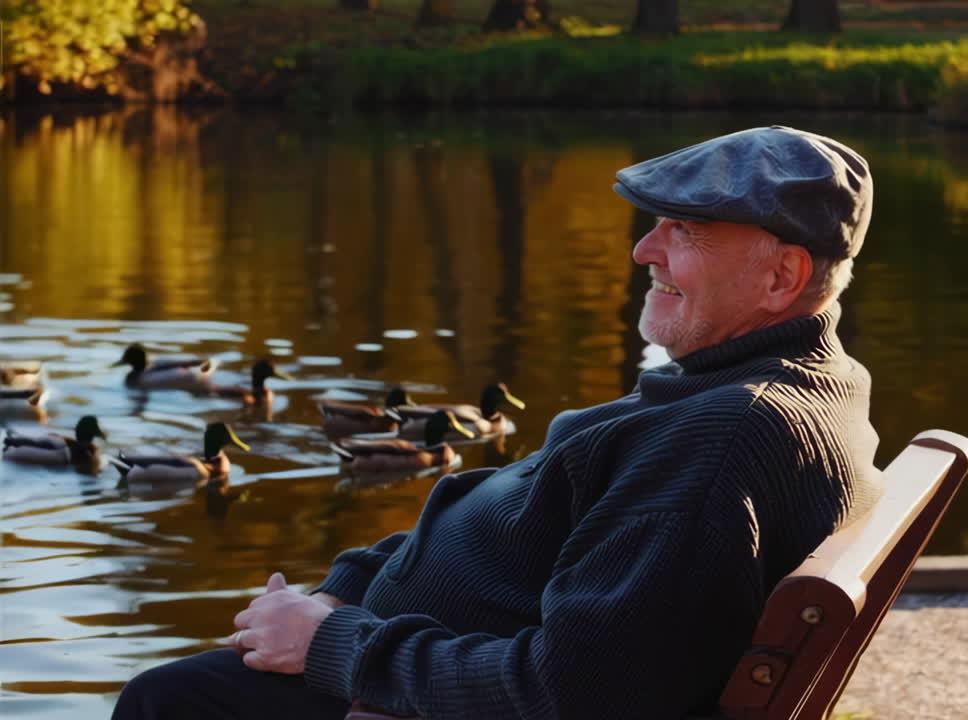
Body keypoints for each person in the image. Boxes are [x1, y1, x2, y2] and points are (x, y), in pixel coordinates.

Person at [112, 125, 883, 720]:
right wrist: (348, 588)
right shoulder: (771, 383)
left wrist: (331, 646)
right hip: (395, 645)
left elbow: (572, 693)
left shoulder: (725, 436)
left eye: (685, 232)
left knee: (168, 702)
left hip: (403, 692)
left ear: (781, 277)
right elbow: (535, 508)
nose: (643, 249)